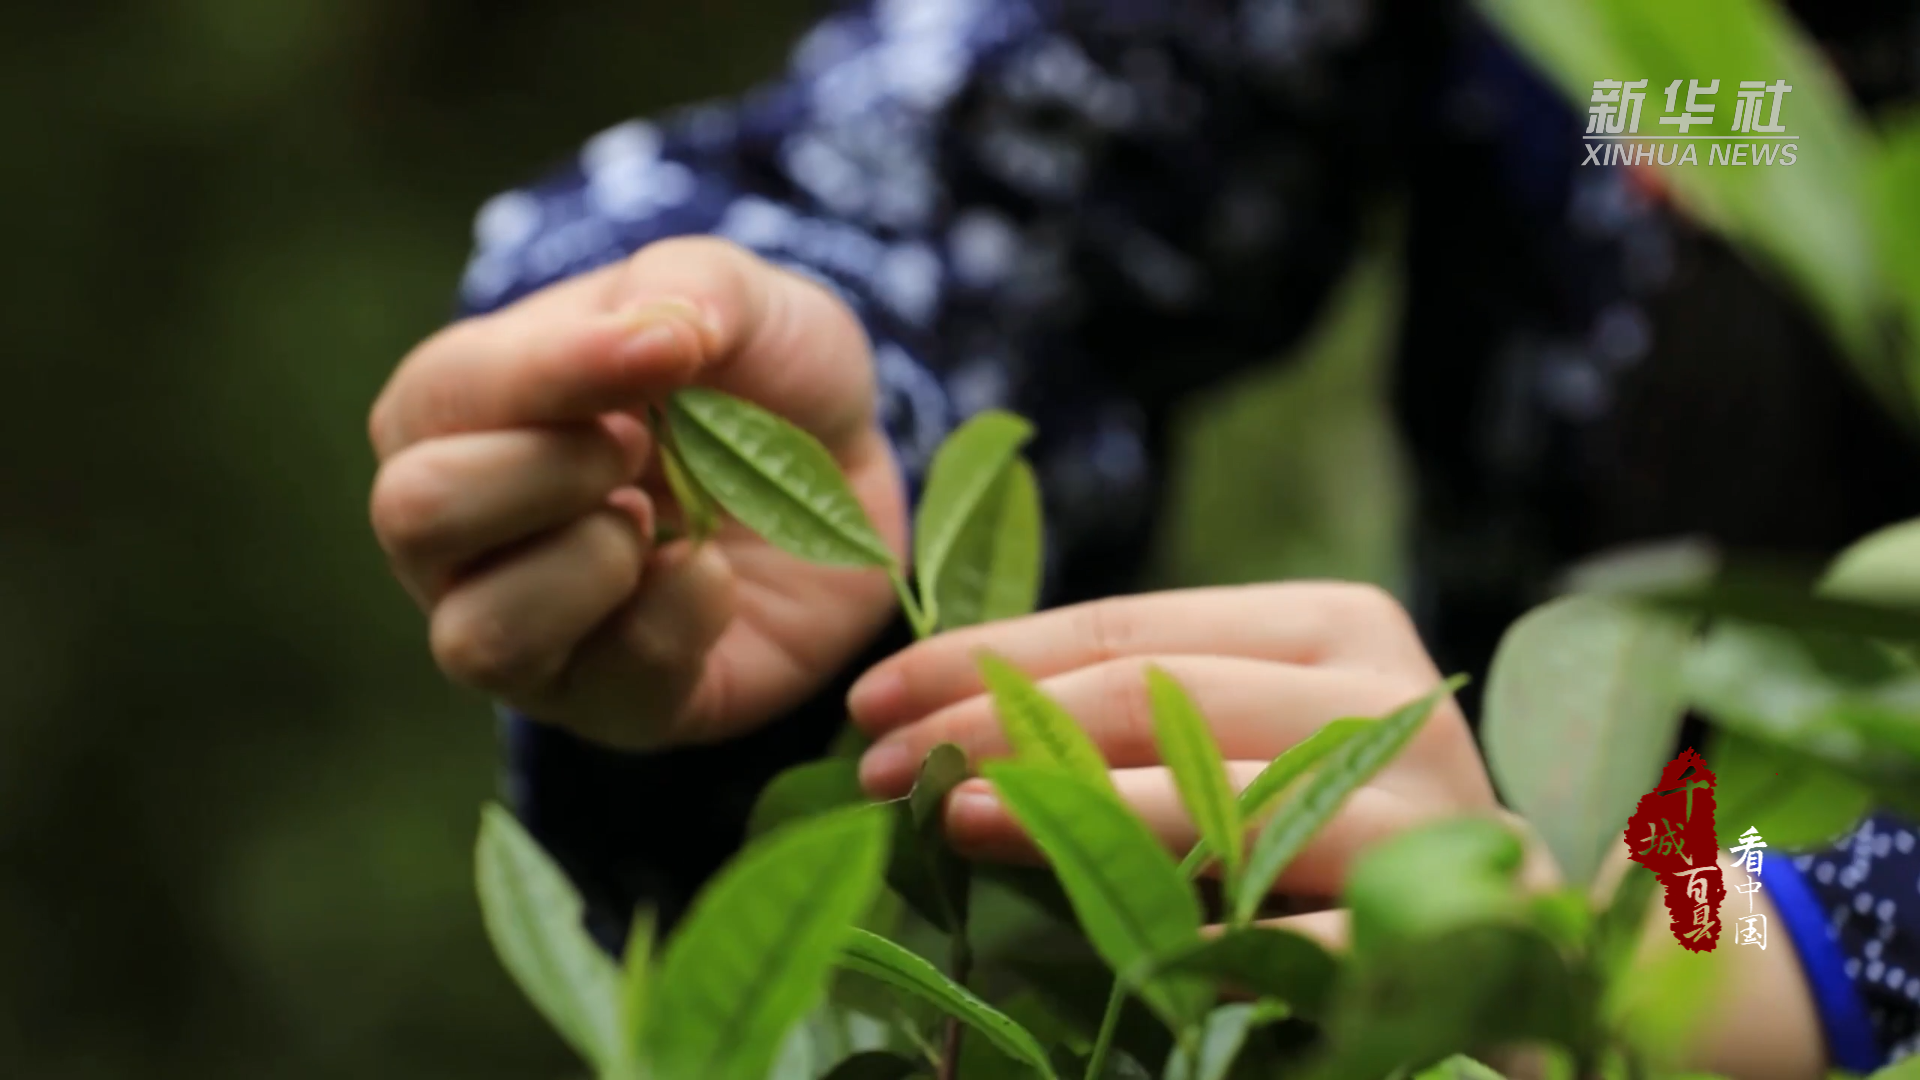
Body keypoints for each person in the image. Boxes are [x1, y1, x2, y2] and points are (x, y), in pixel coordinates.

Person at [365, 0, 1920, 1070]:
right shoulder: (1647, 96)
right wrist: (694, 373)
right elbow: (957, 160)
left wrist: (1800, 940)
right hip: (1587, 859)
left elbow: (1735, 904)